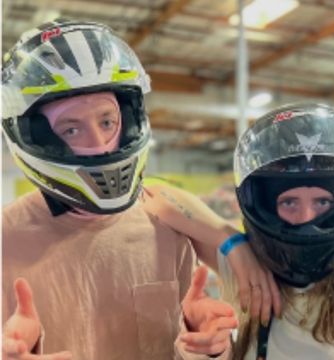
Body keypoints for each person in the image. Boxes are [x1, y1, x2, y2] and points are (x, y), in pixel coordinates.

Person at [1, 19, 280, 360]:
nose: (101, 145)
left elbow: (186, 348)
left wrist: (208, 348)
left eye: (107, 121)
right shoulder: (6, 238)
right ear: (33, 136)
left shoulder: (164, 227)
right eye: (71, 129)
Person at [168, 103, 334, 359]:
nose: (306, 220)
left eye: (322, 202)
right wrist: (231, 242)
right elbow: (154, 194)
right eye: (289, 202)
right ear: (265, 206)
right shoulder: (250, 272)